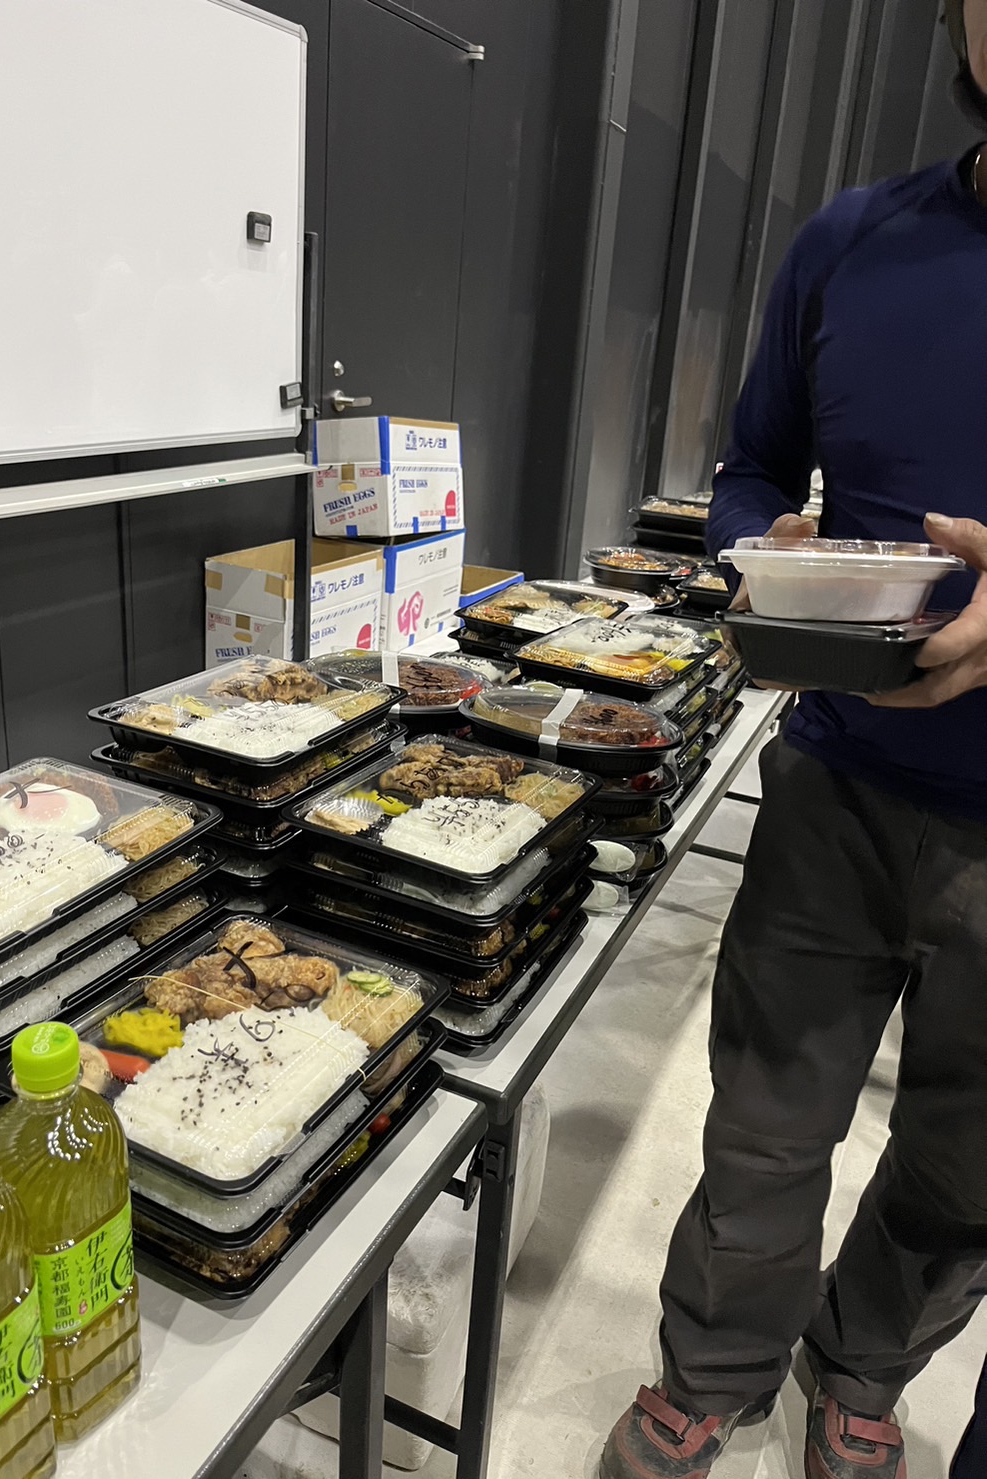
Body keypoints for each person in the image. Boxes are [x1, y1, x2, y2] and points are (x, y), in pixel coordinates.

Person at [601, 3, 987, 1477]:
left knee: (966, 1164)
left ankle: (864, 1367)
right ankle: (713, 1368)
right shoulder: (853, 240)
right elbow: (750, 467)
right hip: (834, 783)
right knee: (763, 1123)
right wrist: (763, 550)